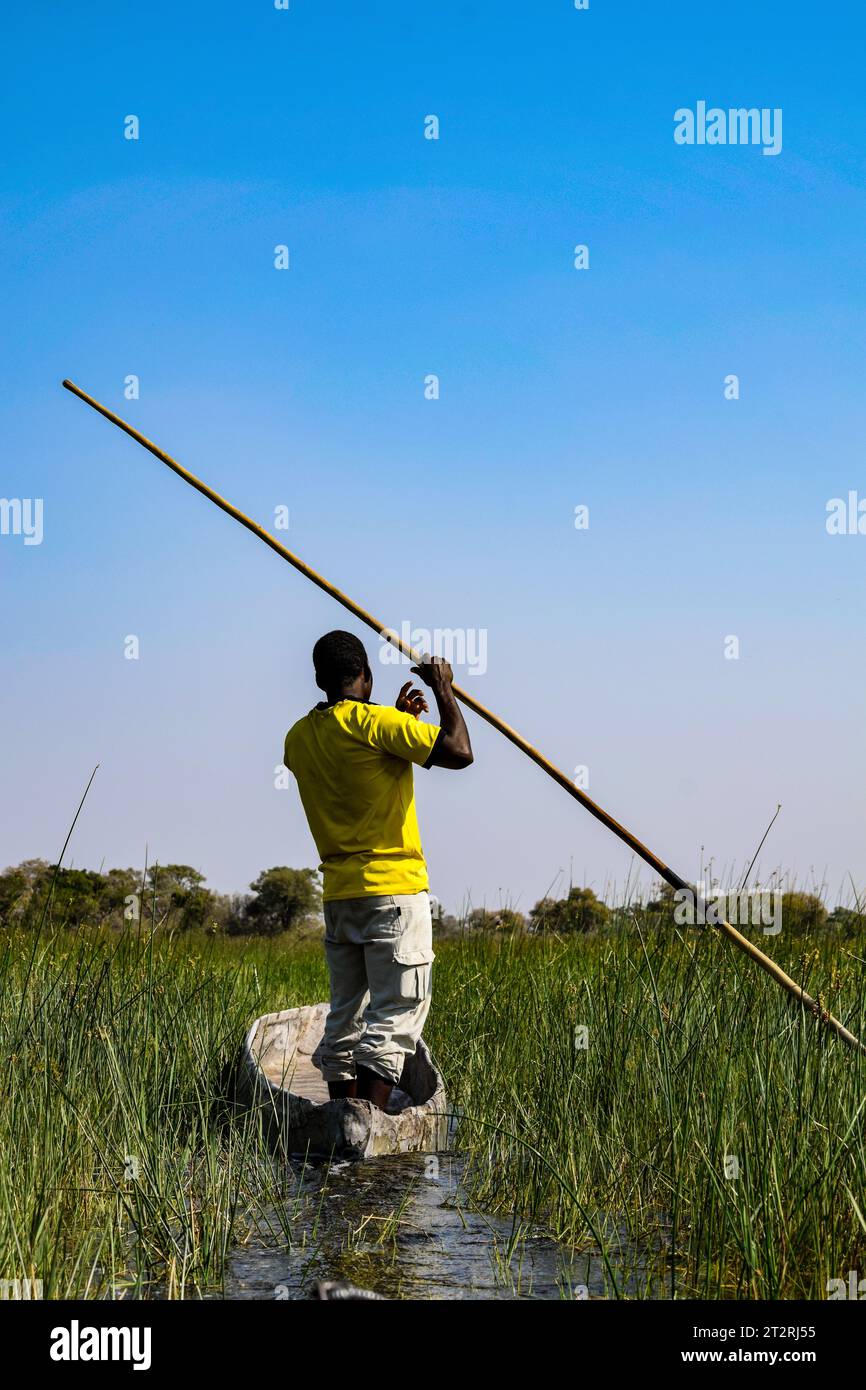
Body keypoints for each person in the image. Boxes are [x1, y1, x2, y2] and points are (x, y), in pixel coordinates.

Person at [282, 630, 473, 1110]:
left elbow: (358, 763)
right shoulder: (378, 724)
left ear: (319, 680)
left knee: (344, 1020)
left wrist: (397, 723)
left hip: (342, 898)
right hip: (394, 895)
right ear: (364, 675)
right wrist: (442, 687)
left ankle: (339, 1126)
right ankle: (365, 1133)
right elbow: (458, 752)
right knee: (393, 1017)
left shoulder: (298, 739)